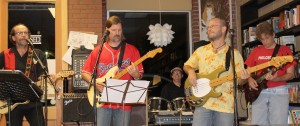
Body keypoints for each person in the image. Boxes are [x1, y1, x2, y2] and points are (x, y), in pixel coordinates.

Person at [183, 18, 249, 126]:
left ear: (223, 29)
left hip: (225, 106)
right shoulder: (201, 51)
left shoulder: (234, 54)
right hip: (203, 103)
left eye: (213, 26)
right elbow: (187, 65)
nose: (209, 29)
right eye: (208, 27)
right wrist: (190, 71)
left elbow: (240, 82)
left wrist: (245, 78)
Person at [81, 16, 144, 126]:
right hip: (102, 102)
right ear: (107, 30)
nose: (117, 33)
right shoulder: (97, 51)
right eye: (114, 30)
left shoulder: (132, 50)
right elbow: (85, 73)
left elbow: (140, 75)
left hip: (124, 103)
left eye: (119, 30)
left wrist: (136, 75)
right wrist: (94, 83)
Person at [245, 21, 295, 125]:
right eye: (262, 39)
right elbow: (247, 71)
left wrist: (276, 79)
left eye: (267, 38)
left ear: (273, 35)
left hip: (279, 91)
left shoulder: (285, 50)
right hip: (258, 92)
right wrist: (249, 79)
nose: (265, 42)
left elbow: (291, 74)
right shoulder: (256, 51)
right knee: (257, 124)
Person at [0, 24, 46, 126]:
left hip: (33, 99)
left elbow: (42, 75)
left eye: (26, 33)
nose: (24, 35)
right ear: (13, 37)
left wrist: (44, 78)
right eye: (20, 33)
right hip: (12, 102)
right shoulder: (5, 54)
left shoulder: (37, 54)